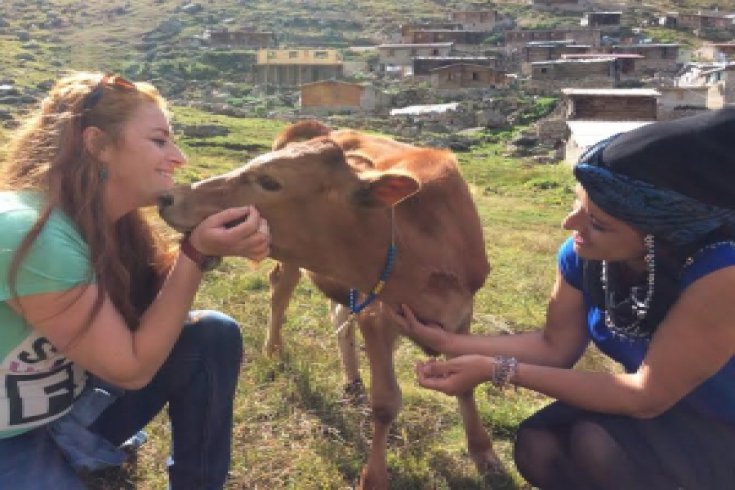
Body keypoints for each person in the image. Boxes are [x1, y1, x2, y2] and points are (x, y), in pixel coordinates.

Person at [393, 108, 735, 489]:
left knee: (596, 446)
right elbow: (555, 346)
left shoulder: (721, 273)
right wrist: (449, 342)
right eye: (577, 204)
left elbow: (646, 396)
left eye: (599, 223)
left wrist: (497, 369)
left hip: (720, 417)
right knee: (539, 445)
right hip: (667, 406)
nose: (570, 225)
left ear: (661, 234)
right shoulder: (584, 257)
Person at [0, 72, 271, 489]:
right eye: (160, 141)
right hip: (11, 440)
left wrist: (213, 240)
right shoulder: (32, 233)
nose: (178, 157)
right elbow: (130, 369)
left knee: (211, 335)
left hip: (61, 413)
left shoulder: (105, 223)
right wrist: (195, 254)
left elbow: (148, 318)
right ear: (98, 145)